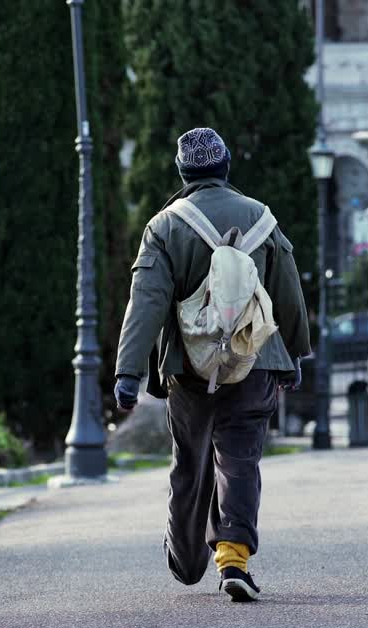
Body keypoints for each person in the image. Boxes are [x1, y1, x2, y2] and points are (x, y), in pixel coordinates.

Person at [113, 127, 311, 603]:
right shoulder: (262, 219)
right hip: (255, 360)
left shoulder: (165, 226)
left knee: (190, 461)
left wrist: (128, 372)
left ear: (184, 174)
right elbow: (289, 292)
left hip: (189, 369)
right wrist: (295, 354)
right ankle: (233, 557)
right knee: (241, 457)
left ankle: (185, 558)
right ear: (225, 169)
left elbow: (147, 301)